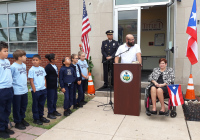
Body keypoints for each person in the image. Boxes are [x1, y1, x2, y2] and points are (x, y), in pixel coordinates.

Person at [28, 54, 50, 125]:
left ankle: (41, 116)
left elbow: (44, 78)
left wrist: (45, 87)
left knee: (41, 104)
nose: (34, 61)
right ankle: (36, 118)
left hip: (43, 89)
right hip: (36, 90)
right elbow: (31, 80)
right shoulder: (31, 70)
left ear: (40, 61)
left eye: (36, 60)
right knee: (36, 104)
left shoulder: (42, 69)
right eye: (33, 60)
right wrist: (34, 89)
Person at [11, 50, 29, 130]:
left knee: (23, 106)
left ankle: (22, 118)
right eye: (24, 56)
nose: (26, 57)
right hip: (17, 90)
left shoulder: (24, 65)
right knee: (17, 107)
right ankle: (17, 122)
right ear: (19, 57)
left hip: (24, 89)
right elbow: (10, 78)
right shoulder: (13, 67)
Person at [0, 41, 14, 139]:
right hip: (1, 89)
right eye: (5, 51)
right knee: (1, 110)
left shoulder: (7, 61)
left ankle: (5, 126)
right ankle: (1, 129)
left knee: (7, 109)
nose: (7, 53)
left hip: (9, 88)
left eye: (7, 51)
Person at [45, 53, 61, 119]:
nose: (57, 59)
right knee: (50, 99)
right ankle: (50, 112)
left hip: (55, 85)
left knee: (55, 98)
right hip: (50, 86)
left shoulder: (55, 66)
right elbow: (45, 77)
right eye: (56, 58)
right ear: (51, 60)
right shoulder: (48, 67)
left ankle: (54, 110)